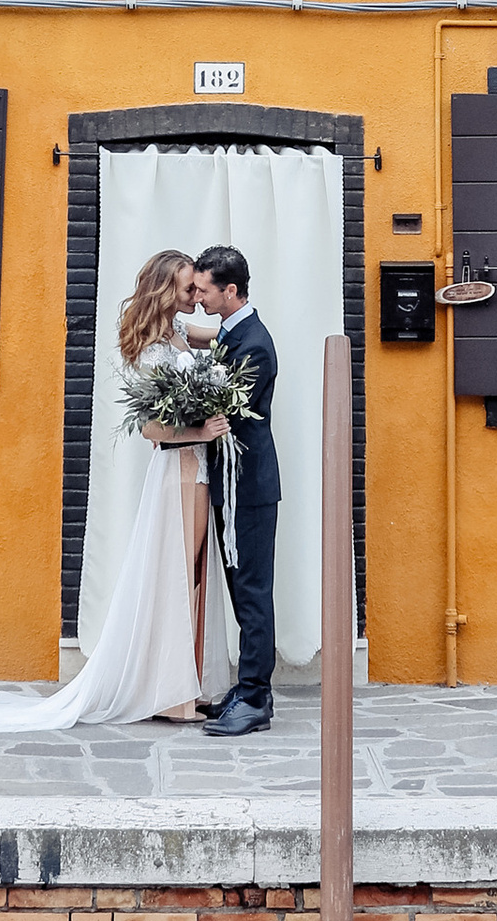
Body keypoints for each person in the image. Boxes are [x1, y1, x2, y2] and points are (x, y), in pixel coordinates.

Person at [0, 249, 230, 732]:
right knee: (181, 575)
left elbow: (224, 334)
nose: (196, 295)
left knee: (194, 574)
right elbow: (153, 431)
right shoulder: (153, 348)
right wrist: (202, 432)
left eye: (199, 287)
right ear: (166, 291)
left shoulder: (177, 332)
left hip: (196, 469)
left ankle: (185, 685)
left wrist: (237, 320)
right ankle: (171, 694)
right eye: (188, 288)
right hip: (177, 468)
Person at [190, 244, 279, 735]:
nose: (198, 297)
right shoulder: (232, 332)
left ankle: (256, 699)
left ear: (230, 290)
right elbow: (203, 339)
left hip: (249, 486)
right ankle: (246, 689)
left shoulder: (255, 343)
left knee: (251, 591)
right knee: (239, 587)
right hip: (233, 483)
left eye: (204, 290)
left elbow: (230, 410)